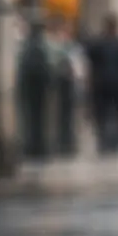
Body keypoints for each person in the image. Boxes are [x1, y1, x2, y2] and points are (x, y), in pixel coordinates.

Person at [85, 12, 118, 154]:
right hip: (104, 83)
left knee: (116, 113)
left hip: (113, 83)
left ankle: (114, 141)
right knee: (105, 113)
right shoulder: (99, 44)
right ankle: (106, 141)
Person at [16, 19, 53, 160]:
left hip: (34, 92)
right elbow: (43, 70)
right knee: (35, 120)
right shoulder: (37, 48)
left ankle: (35, 145)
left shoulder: (29, 47)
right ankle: (36, 146)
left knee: (33, 119)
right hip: (35, 92)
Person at [47, 18, 79, 157]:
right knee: (57, 115)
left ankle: (67, 141)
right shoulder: (52, 45)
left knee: (68, 115)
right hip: (57, 85)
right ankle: (60, 141)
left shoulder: (69, 45)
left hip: (68, 85)